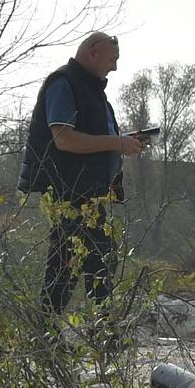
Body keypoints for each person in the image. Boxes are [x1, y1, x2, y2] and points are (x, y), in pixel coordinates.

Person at [20, 30, 146, 316]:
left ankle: (93, 334)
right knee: (71, 263)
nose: (114, 67)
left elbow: (96, 136)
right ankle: (62, 334)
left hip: (91, 194)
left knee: (96, 261)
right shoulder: (64, 83)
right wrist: (118, 143)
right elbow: (63, 138)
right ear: (92, 52)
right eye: (112, 59)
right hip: (69, 192)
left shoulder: (91, 90)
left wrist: (125, 141)